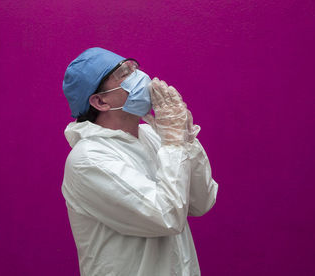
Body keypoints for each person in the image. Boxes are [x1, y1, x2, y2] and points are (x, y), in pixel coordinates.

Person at [61, 47, 218, 276]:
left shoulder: (154, 136)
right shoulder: (89, 160)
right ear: (100, 102)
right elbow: (166, 216)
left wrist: (185, 139)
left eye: (133, 67)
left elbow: (201, 202)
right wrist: (174, 144)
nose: (140, 76)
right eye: (124, 73)